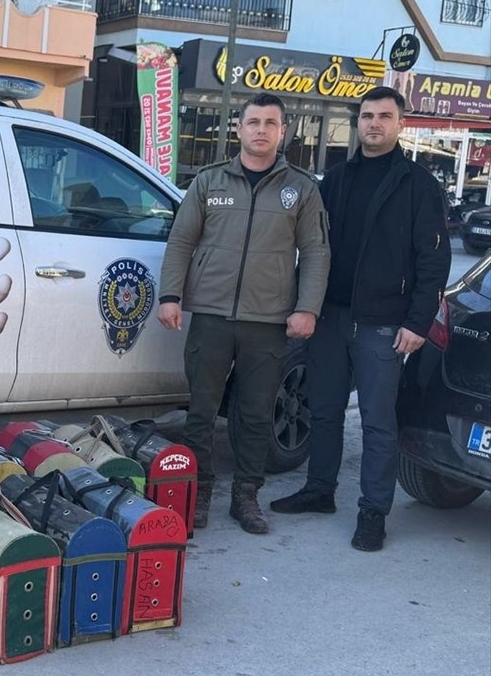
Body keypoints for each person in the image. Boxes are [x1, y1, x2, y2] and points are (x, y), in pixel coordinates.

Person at [269, 86, 450, 551]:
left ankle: (373, 512)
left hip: (385, 324)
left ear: (399, 123)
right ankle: (320, 490)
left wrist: (418, 321)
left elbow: (433, 264)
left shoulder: (419, 185)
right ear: (358, 122)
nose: (374, 124)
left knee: (376, 422)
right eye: (367, 116)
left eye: (384, 116)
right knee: (324, 410)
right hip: (330, 316)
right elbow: (312, 247)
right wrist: (301, 303)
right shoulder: (336, 178)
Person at [158, 92, 330, 534]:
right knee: (201, 410)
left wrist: (307, 308)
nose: (260, 130)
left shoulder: (302, 189)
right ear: (238, 128)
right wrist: (170, 296)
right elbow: (181, 240)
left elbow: (315, 252)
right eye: (253, 122)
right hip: (212, 316)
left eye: (270, 123)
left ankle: (246, 496)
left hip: (269, 321)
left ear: (283, 131)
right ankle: (197, 494)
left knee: (254, 414)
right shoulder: (209, 182)